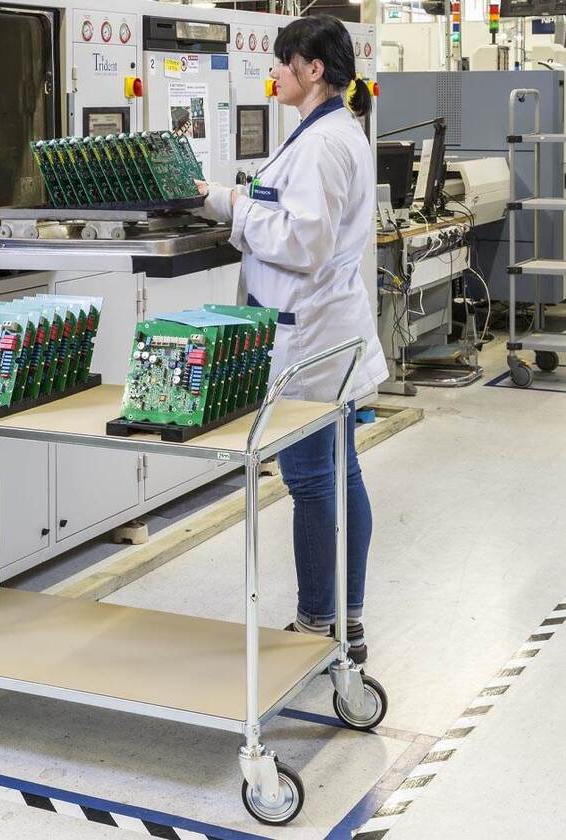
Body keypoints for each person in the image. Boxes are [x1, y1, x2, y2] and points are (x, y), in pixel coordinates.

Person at [193, 14, 388, 664]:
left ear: (313, 69)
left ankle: (319, 623)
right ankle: (343, 620)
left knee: (313, 481)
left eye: (282, 62)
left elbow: (303, 242)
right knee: (339, 474)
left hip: (311, 340)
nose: (274, 72)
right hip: (323, 330)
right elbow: (288, 208)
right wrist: (227, 197)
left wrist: (234, 209)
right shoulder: (324, 133)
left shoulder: (326, 143)